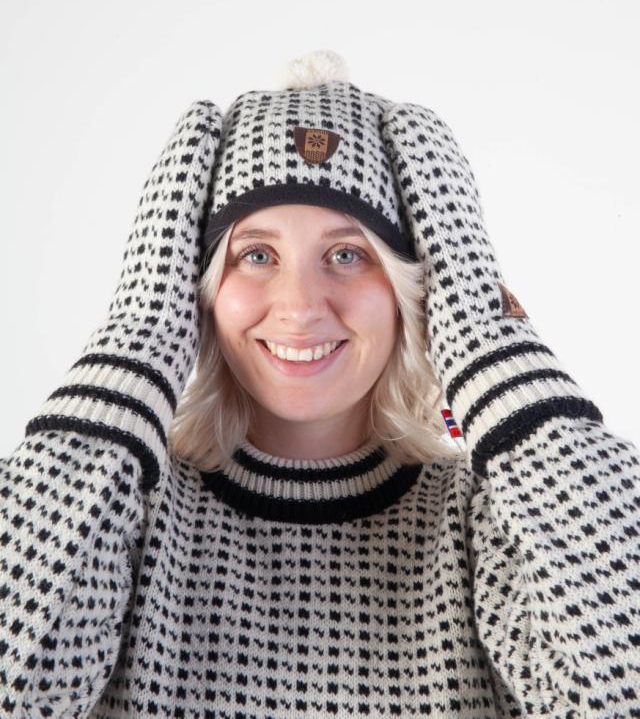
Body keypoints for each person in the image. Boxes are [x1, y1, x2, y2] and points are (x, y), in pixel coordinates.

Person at [1, 50, 639, 718]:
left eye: (347, 254)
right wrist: (139, 335)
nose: (300, 306)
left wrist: (487, 335)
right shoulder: (123, 509)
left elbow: (619, 688)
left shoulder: (491, 519)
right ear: (195, 287)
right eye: (256, 255)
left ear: (414, 289)